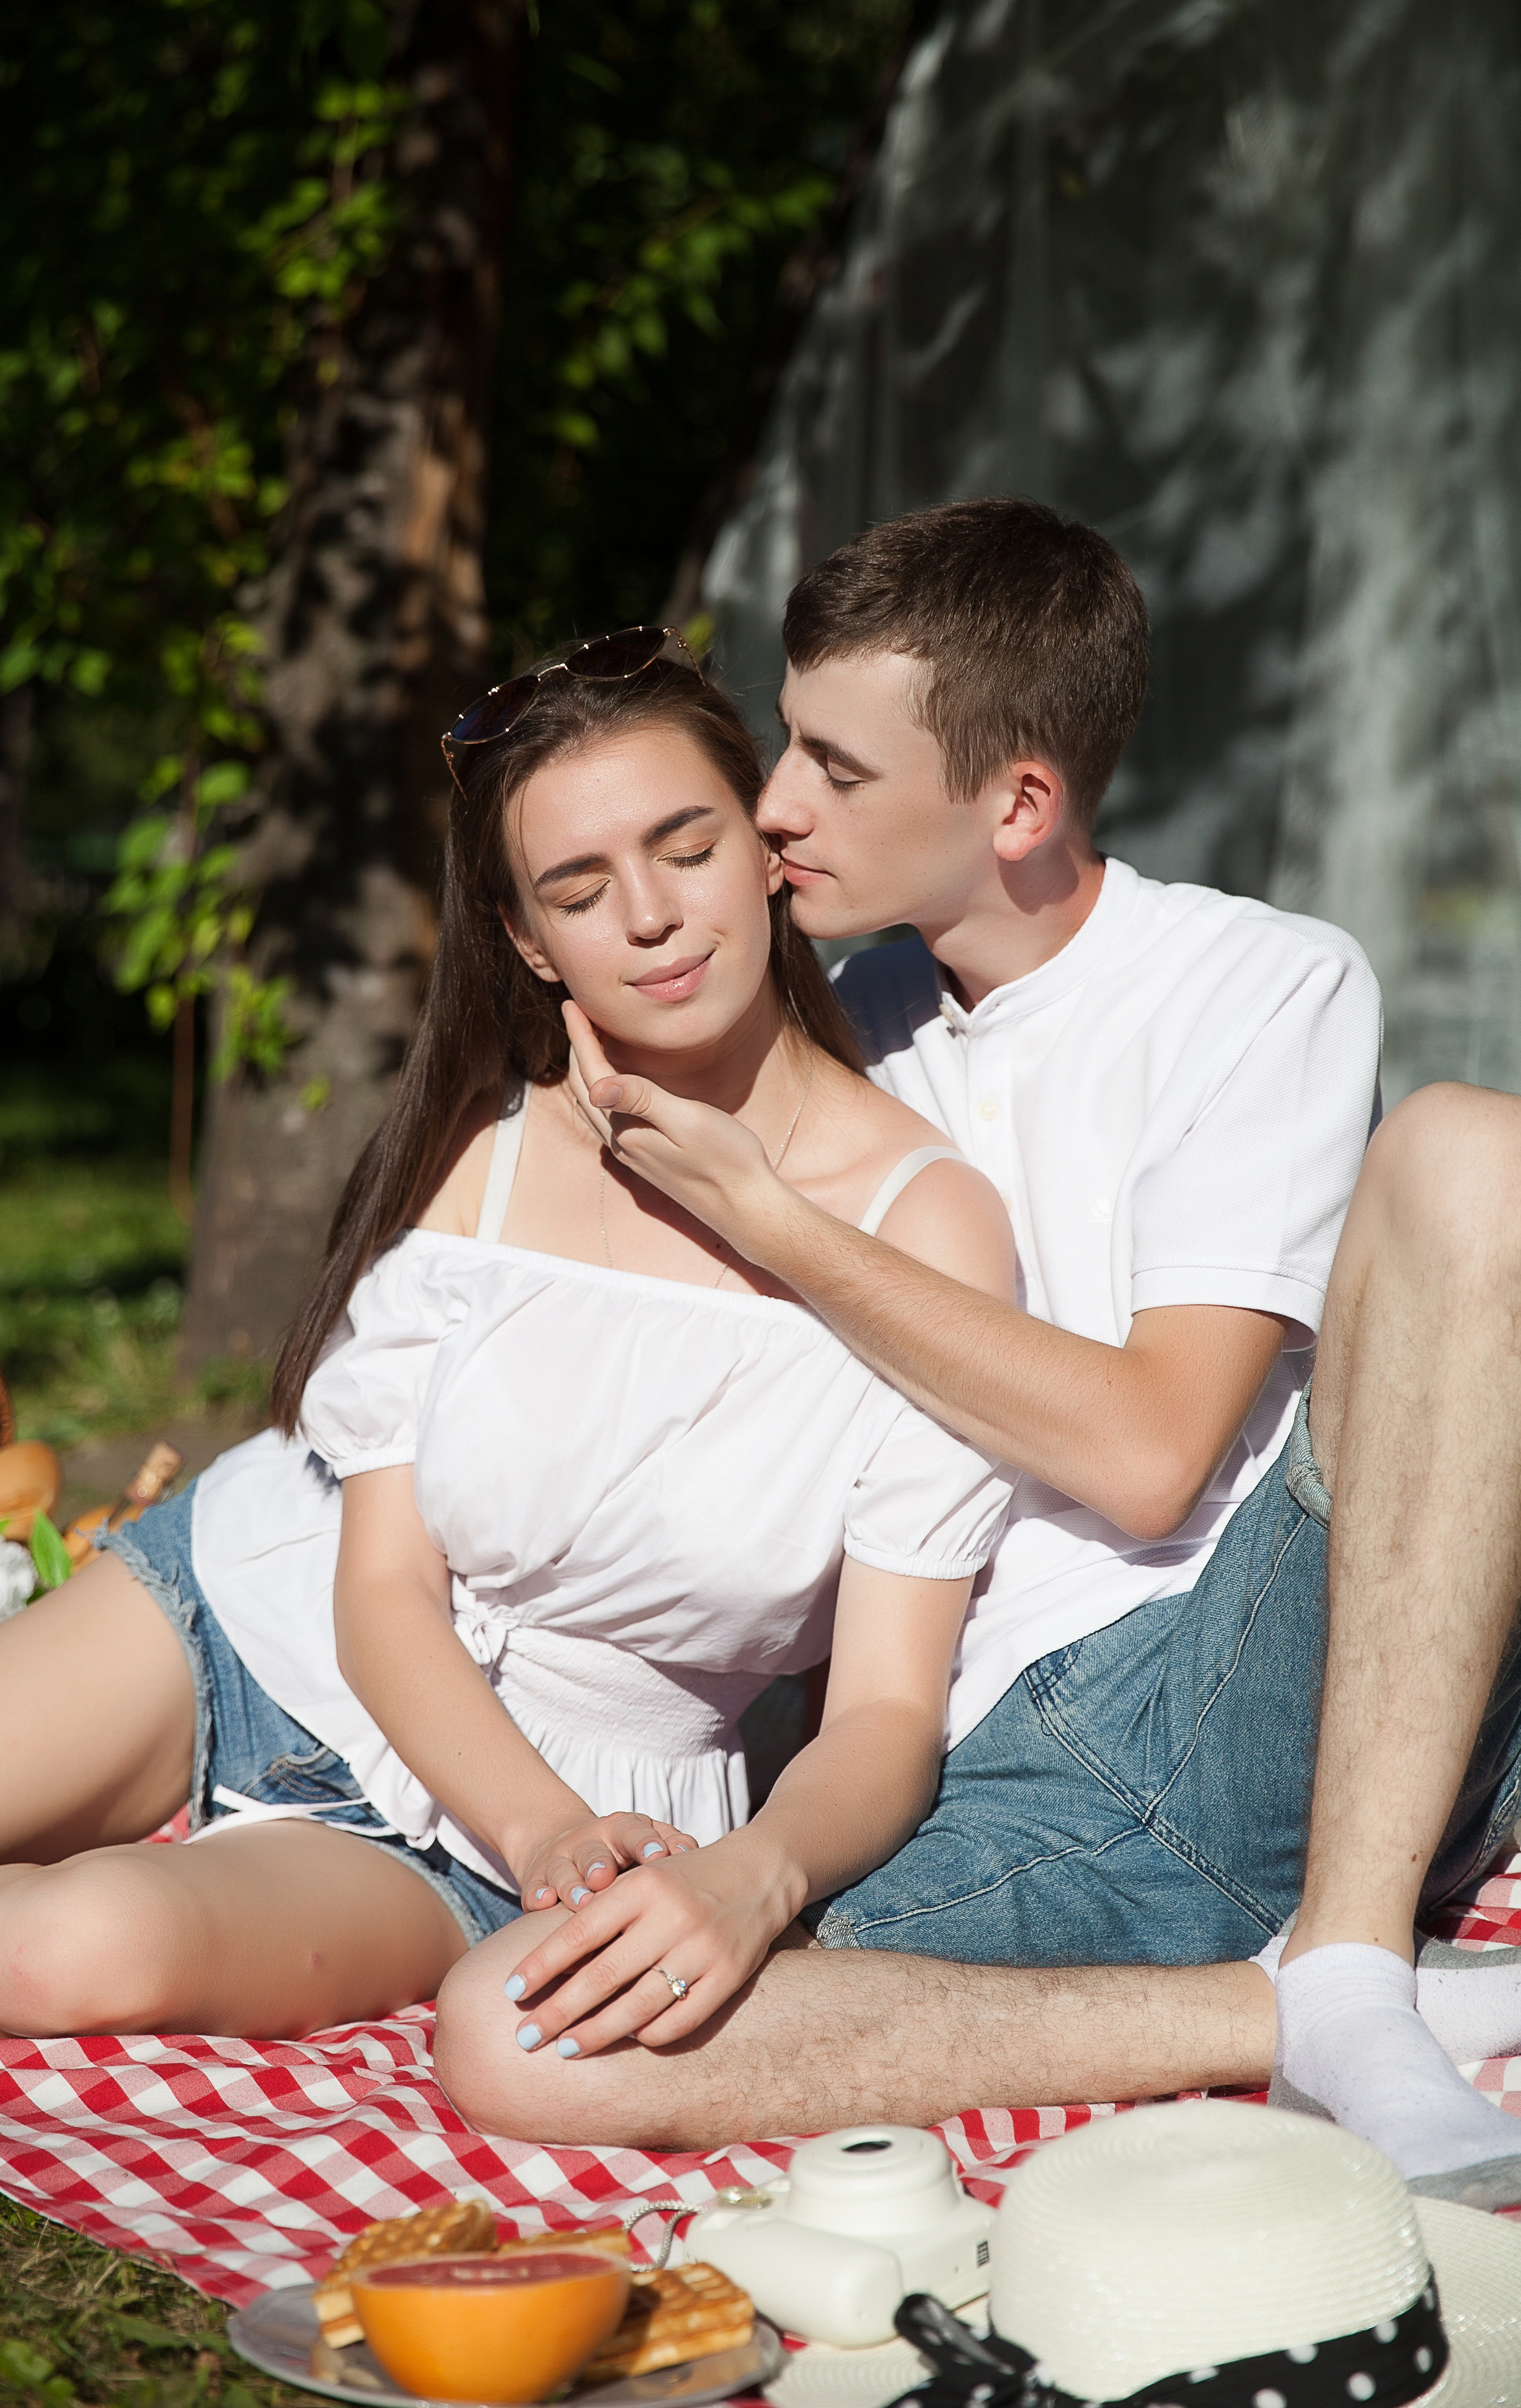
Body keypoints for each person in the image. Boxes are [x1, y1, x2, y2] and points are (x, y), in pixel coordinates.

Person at [435, 500, 1521, 2212]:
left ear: (1016, 804)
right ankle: (1303, 2006)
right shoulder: (823, 1036)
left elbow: (1156, 1454)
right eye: (784, 746)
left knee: (1475, 1151)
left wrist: (784, 1223)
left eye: (834, 769)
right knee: (521, 2027)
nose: (775, 805)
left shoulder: (1256, 984)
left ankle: (1360, 1944)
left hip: (1268, 1663)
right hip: (1001, 1772)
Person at [0, 646, 1017, 2044]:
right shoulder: (486, 1151)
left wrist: (738, 1875)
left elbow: (888, 1715)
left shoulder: (923, 1223)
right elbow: (385, 1581)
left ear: (764, 851)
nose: (648, 916)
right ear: (530, 943)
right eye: (579, 891)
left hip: (524, 1832)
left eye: (685, 848)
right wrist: (538, 1828)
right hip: (248, 1612)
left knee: (61, 1957)